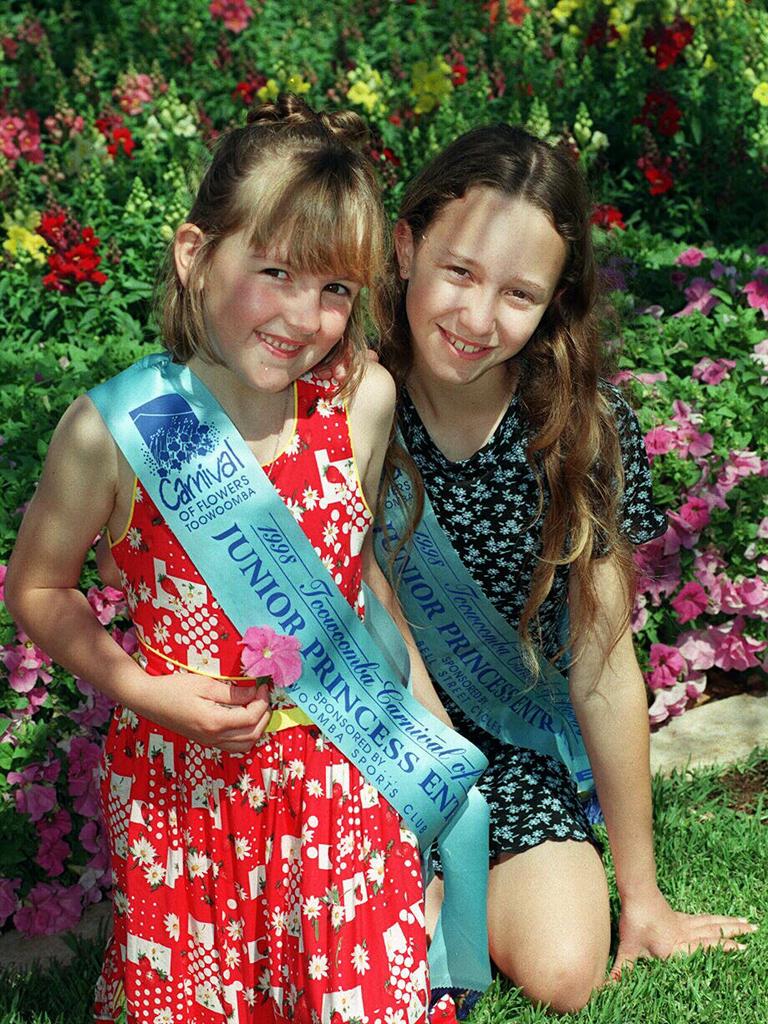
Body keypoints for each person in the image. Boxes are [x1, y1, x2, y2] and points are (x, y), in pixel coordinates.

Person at [5, 96, 457, 1024]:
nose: (306, 315)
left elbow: (352, 574)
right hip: (184, 793)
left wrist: (425, 756)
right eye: (276, 270)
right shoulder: (114, 431)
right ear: (194, 254)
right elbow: (38, 588)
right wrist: (138, 689)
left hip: (341, 780)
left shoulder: (361, 403)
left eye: (336, 288)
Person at [374, 124, 757, 1014]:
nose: (477, 318)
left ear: (554, 303)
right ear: (405, 247)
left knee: (563, 973)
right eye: (459, 272)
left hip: (507, 751)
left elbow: (603, 663)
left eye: (518, 293)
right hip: (369, 741)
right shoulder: (343, 405)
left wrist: (645, 897)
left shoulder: (581, 427)